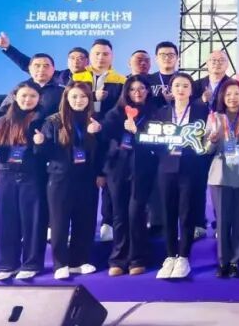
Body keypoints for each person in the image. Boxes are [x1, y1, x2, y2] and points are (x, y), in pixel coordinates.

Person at [0, 81, 47, 281]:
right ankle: (6, 264)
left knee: (33, 222)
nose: (28, 100)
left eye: (33, 96)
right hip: (7, 176)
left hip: (34, 177)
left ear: (39, 99)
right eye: (24, 96)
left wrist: (41, 143)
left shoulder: (44, 121)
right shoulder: (2, 121)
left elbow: (50, 152)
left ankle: (32, 263)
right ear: (15, 97)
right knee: (6, 222)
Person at [35, 82, 104, 280]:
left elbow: (102, 151)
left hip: (87, 178)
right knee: (59, 221)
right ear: (66, 98)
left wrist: (98, 134)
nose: (78, 101)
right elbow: (45, 153)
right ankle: (60, 263)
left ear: (89, 99)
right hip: (60, 178)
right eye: (74, 96)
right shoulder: (53, 121)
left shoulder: (94, 120)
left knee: (86, 220)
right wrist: (40, 143)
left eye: (83, 97)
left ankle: (79, 261)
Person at [146, 72, 210, 280]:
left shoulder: (201, 111)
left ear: (191, 90)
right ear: (171, 90)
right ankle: (170, 256)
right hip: (166, 168)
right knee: (168, 213)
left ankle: (183, 257)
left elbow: (208, 137)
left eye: (185, 86)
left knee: (186, 212)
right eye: (177, 86)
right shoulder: (162, 113)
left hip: (191, 168)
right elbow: (153, 140)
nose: (181, 89)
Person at [98, 76, 157, 276]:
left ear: (148, 91)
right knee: (119, 214)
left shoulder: (155, 113)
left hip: (143, 169)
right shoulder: (114, 114)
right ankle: (118, 258)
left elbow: (157, 142)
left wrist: (137, 131)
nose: (137, 93)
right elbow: (103, 143)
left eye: (141, 89)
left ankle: (137, 258)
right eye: (132, 89)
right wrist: (101, 172)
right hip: (117, 170)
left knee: (136, 213)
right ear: (126, 92)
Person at [71, 39, 125, 242]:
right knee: (82, 179)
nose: (101, 57)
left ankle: (107, 222)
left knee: (108, 179)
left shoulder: (120, 80)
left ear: (112, 56)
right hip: (81, 135)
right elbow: (69, 102)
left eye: (105, 54)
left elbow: (121, 110)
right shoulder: (76, 77)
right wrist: (93, 96)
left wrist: (105, 126)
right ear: (90, 57)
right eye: (97, 54)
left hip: (108, 136)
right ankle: (79, 223)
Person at [207, 78, 239, 279]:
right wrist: (212, 141)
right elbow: (206, 149)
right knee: (222, 221)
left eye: (236, 93)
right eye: (228, 94)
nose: (232, 97)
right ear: (222, 97)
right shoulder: (214, 118)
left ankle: (235, 261)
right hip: (220, 174)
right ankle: (223, 262)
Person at [0, 52, 64, 123]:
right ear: (29, 68)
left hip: (47, 136)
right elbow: (2, 114)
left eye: (46, 66)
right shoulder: (20, 88)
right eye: (37, 66)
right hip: (19, 135)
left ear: (53, 69)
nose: (41, 69)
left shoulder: (62, 92)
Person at [0, 31, 86, 87]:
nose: (76, 61)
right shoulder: (63, 76)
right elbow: (29, 65)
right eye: (72, 58)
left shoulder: (92, 75)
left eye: (80, 58)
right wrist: (8, 47)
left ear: (87, 61)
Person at [148, 41, 180, 107]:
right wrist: (162, 100)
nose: (167, 58)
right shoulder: (147, 80)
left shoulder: (185, 79)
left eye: (171, 55)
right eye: (163, 55)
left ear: (177, 58)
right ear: (156, 58)